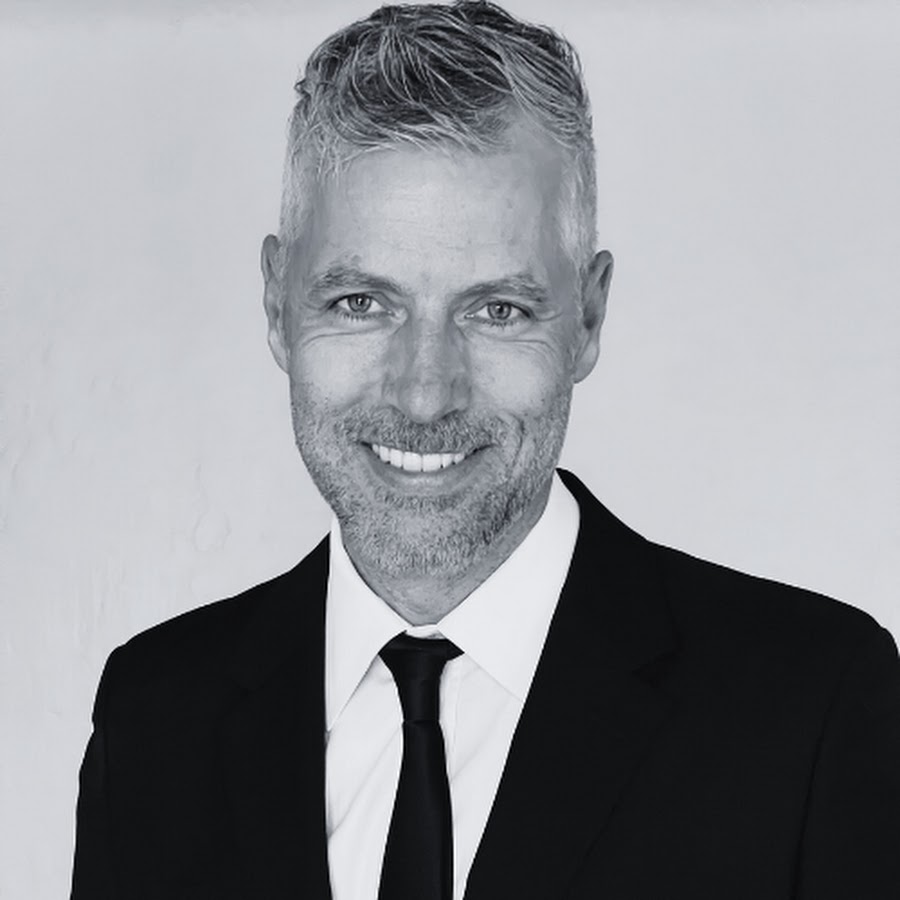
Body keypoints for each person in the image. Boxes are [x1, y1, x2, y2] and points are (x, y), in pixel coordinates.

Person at [70, 2, 900, 898]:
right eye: (361, 304)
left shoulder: (815, 707)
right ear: (277, 305)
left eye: (497, 310)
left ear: (588, 317)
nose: (425, 393)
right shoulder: (153, 720)